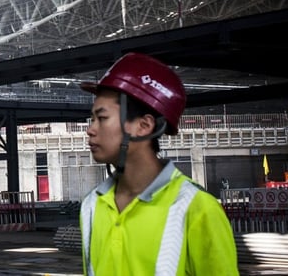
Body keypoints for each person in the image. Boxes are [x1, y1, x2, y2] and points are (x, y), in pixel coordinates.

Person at [79, 52, 238, 275]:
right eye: (92, 119)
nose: (91, 129)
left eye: (102, 118)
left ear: (143, 126)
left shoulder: (197, 209)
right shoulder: (92, 206)